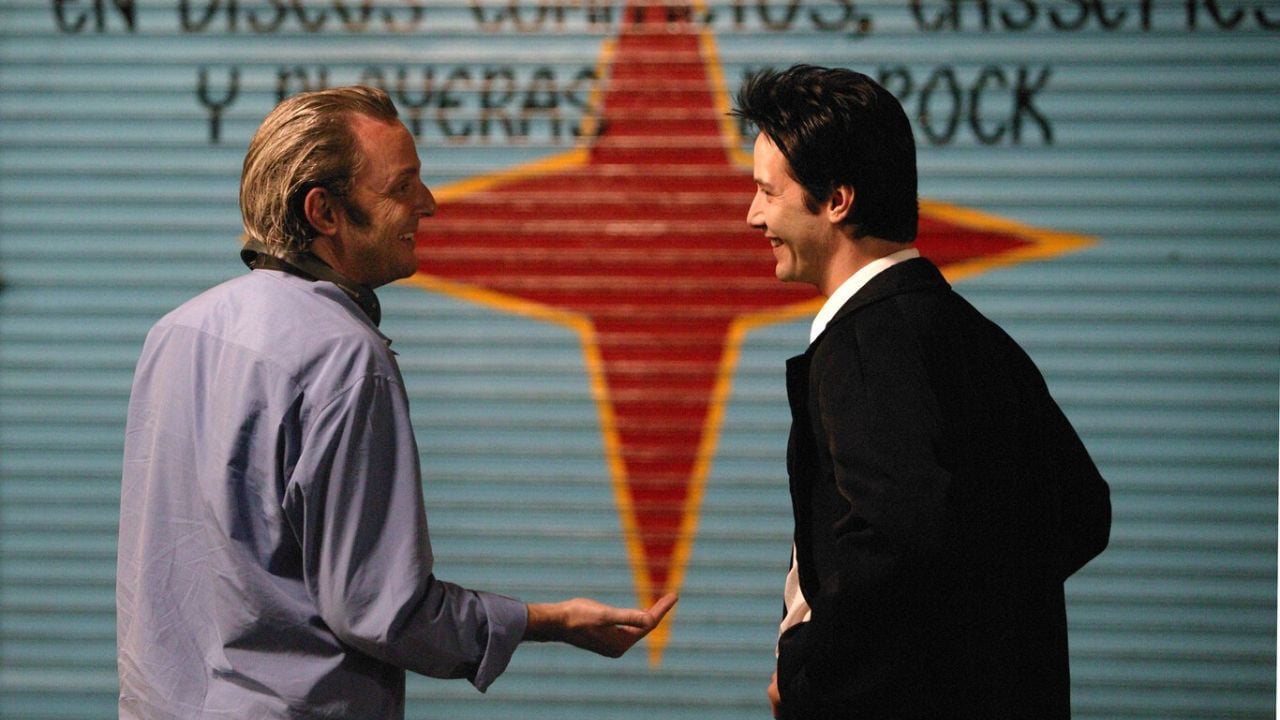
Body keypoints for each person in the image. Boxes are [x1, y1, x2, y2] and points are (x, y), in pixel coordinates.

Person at [117, 85, 677, 719]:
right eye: (402, 186)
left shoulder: (177, 331)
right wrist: (548, 621)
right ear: (324, 212)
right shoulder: (344, 359)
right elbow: (381, 610)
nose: (429, 203)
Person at [732, 65, 1111, 719]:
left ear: (837, 201)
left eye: (768, 191)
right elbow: (1081, 513)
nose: (753, 215)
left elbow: (894, 538)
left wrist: (814, 679)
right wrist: (978, 638)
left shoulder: (865, 345)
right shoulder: (967, 332)